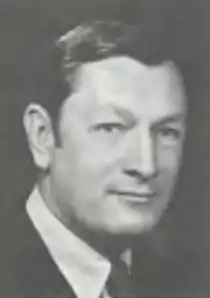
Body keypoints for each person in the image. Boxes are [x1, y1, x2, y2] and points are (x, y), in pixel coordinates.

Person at [2, 20, 187, 298]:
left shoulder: (187, 277)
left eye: (167, 132)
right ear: (42, 135)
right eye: (111, 128)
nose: (146, 165)